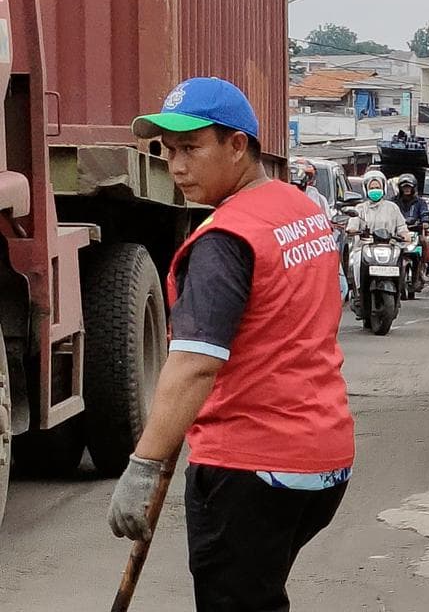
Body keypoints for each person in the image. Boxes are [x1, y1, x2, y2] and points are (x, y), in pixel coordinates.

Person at [109, 77, 355, 610]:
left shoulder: (226, 240)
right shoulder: (300, 211)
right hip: (323, 459)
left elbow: (195, 363)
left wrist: (143, 466)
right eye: (168, 151)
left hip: (251, 468)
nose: (175, 166)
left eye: (191, 148)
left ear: (237, 145)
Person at [346, 171, 411, 316]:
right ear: (366, 189)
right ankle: (358, 295)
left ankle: (398, 292)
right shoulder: (360, 209)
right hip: (365, 247)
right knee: (356, 262)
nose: (375, 190)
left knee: (401, 262)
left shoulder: (392, 208)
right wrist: (353, 229)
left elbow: (401, 227)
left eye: (378, 187)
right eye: (372, 187)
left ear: (383, 188)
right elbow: (352, 225)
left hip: (389, 247)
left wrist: (405, 235)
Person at [392, 174, 429, 290]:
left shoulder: (420, 202)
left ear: (414, 188)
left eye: (409, 187)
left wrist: (425, 222)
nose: (407, 190)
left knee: (424, 241)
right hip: (398, 234)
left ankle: (427, 267)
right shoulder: (393, 202)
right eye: (404, 187)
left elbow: (424, 213)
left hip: (415, 232)